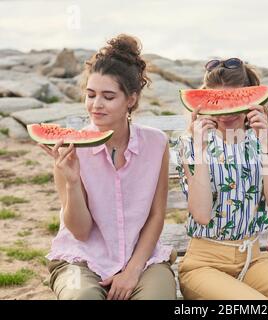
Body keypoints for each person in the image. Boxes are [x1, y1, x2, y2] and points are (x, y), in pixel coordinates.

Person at [40, 34, 177, 300]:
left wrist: (132, 271)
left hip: (142, 258)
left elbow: (156, 216)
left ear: (131, 100)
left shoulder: (156, 144)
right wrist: (72, 181)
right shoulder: (69, 149)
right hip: (81, 259)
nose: (96, 105)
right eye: (90, 95)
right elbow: (79, 231)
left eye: (108, 96)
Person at [174, 57, 268, 300]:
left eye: (235, 99)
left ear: (251, 98)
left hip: (252, 258)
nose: (226, 112)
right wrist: (200, 151)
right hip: (204, 264)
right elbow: (202, 214)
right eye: (216, 101)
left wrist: (265, 145)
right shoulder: (191, 144)